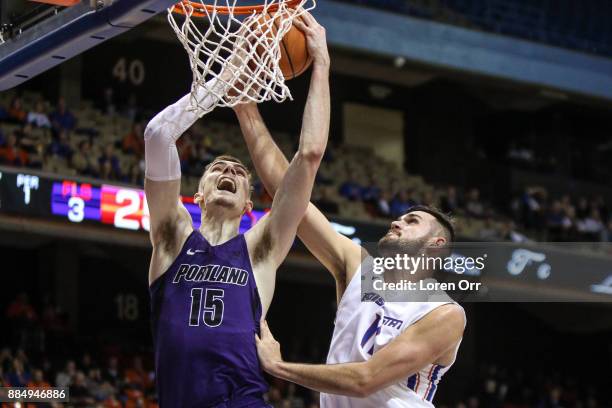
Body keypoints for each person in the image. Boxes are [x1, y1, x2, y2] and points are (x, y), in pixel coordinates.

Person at [237, 17, 464, 408]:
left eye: (412, 222)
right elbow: (287, 189)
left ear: (435, 244)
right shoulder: (359, 268)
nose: (396, 221)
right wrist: (245, 105)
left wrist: (279, 366)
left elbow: (365, 380)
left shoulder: (445, 313)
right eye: (401, 216)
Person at [144, 12, 329, 408]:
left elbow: (310, 154)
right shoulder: (172, 238)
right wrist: (223, 82)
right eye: (217, 168)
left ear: (250, 204)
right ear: (197, 196)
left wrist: (322, 66)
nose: (229, 169)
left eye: (238, 171)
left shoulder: (261, 248)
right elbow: (159, 135)